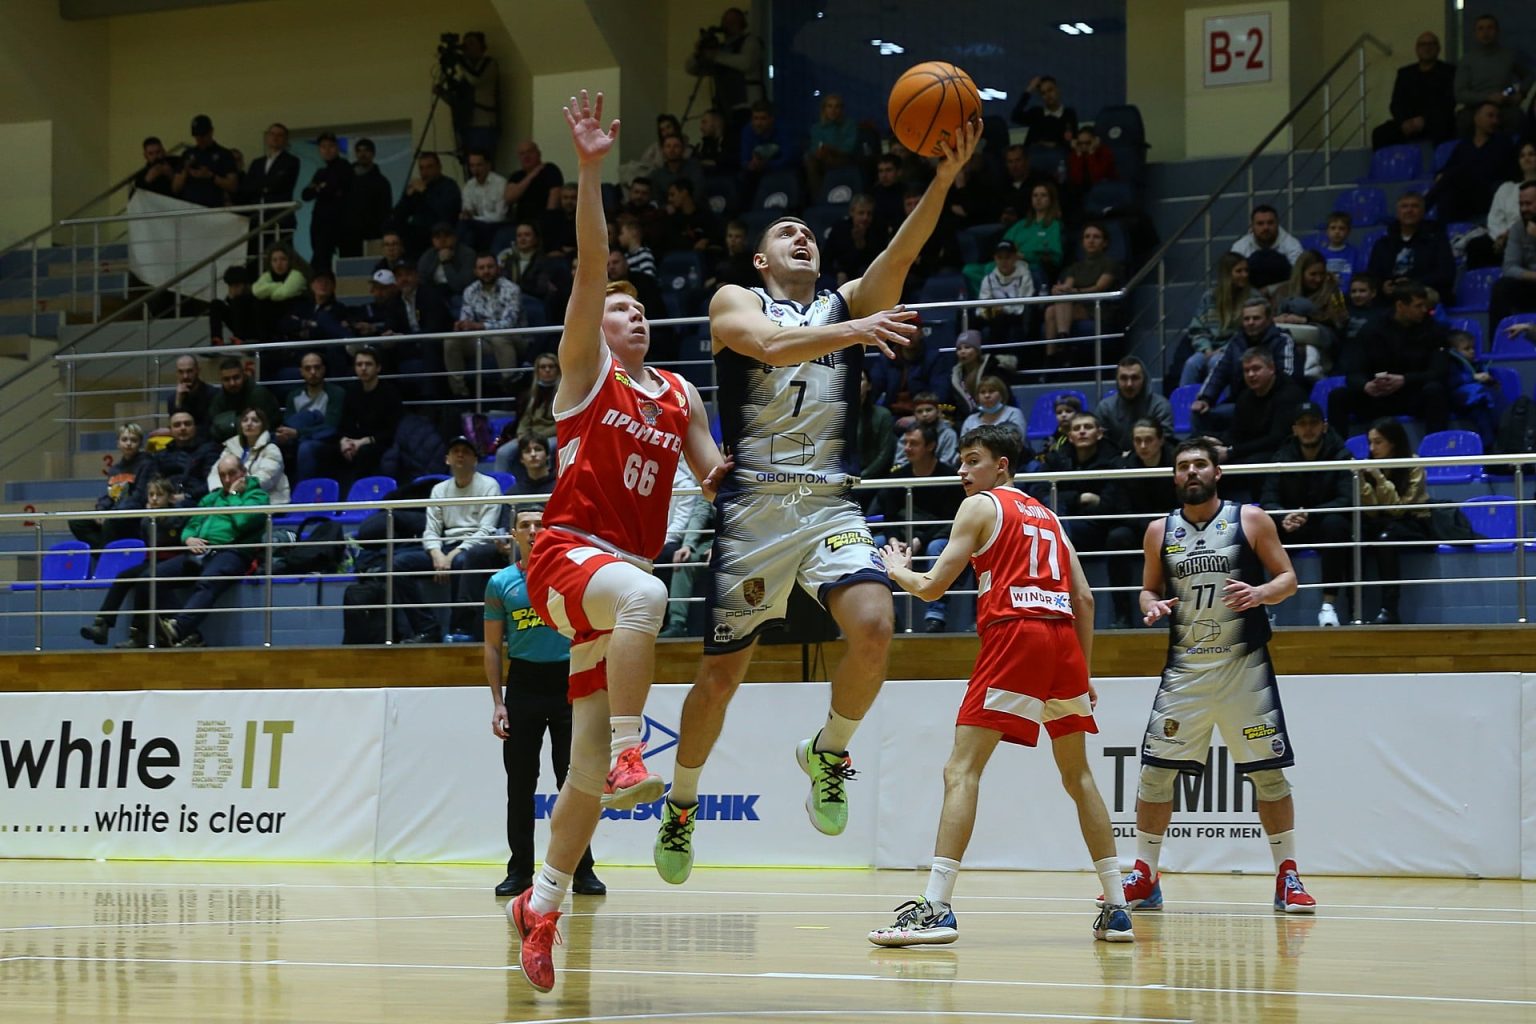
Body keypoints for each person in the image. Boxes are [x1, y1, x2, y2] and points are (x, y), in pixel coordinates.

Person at [652, 119, 981, 887]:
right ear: (764, 259)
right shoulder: (735, 297)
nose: (800, 235)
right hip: (753, 515)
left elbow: (902, 252)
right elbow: (764, 346)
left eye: (808, 231)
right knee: (720, 679)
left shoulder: (847, 299)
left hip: (830, 504)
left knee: (874, 626)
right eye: (784, 232)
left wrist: (941, 181)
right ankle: (681, 802)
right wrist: (859, 328)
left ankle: (830, 749)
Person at [507, 91, 725, 995]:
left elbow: (715, 476)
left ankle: (543, 905)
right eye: (617, 309)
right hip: (567, 557)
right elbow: (594, 262)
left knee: (585, 776)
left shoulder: (678, 396)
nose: (629, 315)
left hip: (615, 582)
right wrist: (592, 168)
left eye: (639, 311)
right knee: (646, 597)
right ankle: (642, 745)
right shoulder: (584, 374)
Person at [870, 424, 1133, 946]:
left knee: (960, 770)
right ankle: (1117, 908)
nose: (962, 471)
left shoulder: (980, 507)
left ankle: (937, 907)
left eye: (972, 460)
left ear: (1002, 466)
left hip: (1016, 634)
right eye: (962, 462)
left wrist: (897, 568)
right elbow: (1085, 600)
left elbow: (931, 588)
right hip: (1063, 643)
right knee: (1078, 776)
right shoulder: (1052, 518)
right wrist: (1083, 666)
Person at [1113, 436, 1315, 916]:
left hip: (1244, 668)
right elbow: (1146, 590)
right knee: (1155, 774)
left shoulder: (1249, 519)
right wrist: (1151, 605)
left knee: (1269, 774)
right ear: (1174, 476)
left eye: (1201, 464)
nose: (1192, 473)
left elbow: (1288, 578)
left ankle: (1288, 876)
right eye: (1183, 466)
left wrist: (1262, 593)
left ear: (1217, 472)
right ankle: (1145, 875)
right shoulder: (1158, 531)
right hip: (1186, 671)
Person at [486, 506, 604, 899]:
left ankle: (582, 871)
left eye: (540, 524)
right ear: (514, 534)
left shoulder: (568, 576)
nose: (534, 531)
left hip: (569, 685)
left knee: (577, 782)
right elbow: (491, 647)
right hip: (523, 687)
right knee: (520, 785)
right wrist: (498, 702)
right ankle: (519, 870)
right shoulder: (500, 583)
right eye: (525, 526)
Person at [154, 455, 271, 648]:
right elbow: (192, 523)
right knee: (155, 576)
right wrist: (188, 538)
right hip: (201, 551)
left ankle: (178, 628)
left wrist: (234, 496)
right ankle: (188, 634)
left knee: (207, 581)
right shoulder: (212, 498)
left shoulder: (258, 496)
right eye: (222, 475)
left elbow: (243, 522)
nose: (227, 480)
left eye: (232, 474)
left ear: (243, 473)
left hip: (234, 552)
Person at [394, 435, 502, 643]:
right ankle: (426, 628)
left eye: (466, 451)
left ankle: (459, 628)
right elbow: (431, 530)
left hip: (474, 548)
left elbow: (487, 529)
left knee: (462, 562)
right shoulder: (439, 490)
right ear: (447, 459)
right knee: (398, 564)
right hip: (445, 548)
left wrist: (453, 554)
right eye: (455, 451)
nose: (460, 455)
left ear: (475, 460)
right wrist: (437, 554)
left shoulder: (489, 485)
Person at [1259, 402, 1355, 627]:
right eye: (1302, 424)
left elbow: (1346, 499)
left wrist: (1311, 514)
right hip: (1291, 525)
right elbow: (1268, 499)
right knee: (1258, 532)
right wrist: (1283, 516)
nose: (1308, 429)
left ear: (1324, 426)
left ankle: (1327, 606)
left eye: (1313, 423)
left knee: (1336, 526)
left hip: (1324, 524)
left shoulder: (1341, 454)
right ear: (1294, 429)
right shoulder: (1282, 456)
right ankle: (1262, 608)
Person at [869, 422, 964, 632]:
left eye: (914, 443)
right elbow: (890, 516)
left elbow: (948, 519)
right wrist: (894, 541)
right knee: (875, 547)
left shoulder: (947, 477)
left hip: (935, 534)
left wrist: (918, 541)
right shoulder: (897, 476)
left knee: (937, 548)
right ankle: (888, 613)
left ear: (930, 446)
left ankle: (936, 616)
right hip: (902, 534)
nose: (907, 448)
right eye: (905, 443)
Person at [1327, 282, 1449, 434]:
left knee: (1435, 391)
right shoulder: (1373, 329)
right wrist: (1366, 385)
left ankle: (1436, 449)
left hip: (1412, 393)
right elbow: (1353, 371)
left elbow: (1439, 371)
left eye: (1425, 305)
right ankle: (1338, 453)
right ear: (1400, 306)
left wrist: (1404, 379)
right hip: (1379, 396)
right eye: (1418, 306)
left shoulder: (1434, 330)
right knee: (1338, 396)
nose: (1425, 310)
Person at [79, 476, 187, 649]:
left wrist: (158, 518)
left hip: (171, 561)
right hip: (152, 560)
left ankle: (138, 634)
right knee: (123, 576)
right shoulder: (145, 520)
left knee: (144, 579)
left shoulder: (177, 517)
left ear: (170, 497)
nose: (154, 499)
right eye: (151, 495)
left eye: (159, 495)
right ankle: (102, 625)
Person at [1100, 418, 1176, 628]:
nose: (1143, 446)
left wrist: (1163, 527)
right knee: (1117, 538)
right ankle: (1122, 616)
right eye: (1138, 440)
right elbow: (1122, 511)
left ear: (1161, 440)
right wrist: (1152, 529)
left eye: (1149, 440)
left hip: (1173, 525)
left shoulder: (1177, 461)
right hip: (1138, 527)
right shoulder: (1123, 465)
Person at [1360, 417, 1431, 625]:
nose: (1372, 448)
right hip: (1383, 522)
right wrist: (1363, 481)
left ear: (1394, 442)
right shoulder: (1371, 467)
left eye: (1378, 442)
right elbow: (1372, 512)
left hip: (1414, 523)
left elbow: (1400, 509)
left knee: (1385, 539)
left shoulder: (1413, 464)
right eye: (1370, 442)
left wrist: (1380, 479)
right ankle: (1355, 609)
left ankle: (1390, 610)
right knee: (1354, 535)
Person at [1191, 298, 1299, 433]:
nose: (1250, 323)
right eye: (1246, 319)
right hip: (1240, 404)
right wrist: (1205, 399)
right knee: (1200, 413)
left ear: (1269, 319)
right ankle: (1203, 451)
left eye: (1256, 318)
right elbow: (1219, 372)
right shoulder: (1236, 342)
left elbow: (1287, 376)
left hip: (1272, 404)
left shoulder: (1282, 340)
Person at [1426, 102, 1518, 225]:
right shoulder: (1465, 145)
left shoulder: (1502, 142)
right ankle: (1443, 233)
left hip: (1489, 192)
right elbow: (1448, 167)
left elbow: (1494, 170)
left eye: (1497, 117)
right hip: (1464, 195)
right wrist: (1441, 174)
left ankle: (1422, 207)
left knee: (1453, 175)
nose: (1495, 121)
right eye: (1490, 116)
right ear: (1476, 118)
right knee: (1447, 188)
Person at [70, 422, 154, 552]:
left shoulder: (147, 464)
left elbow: (139, 496)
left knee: (109, 523)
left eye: (133, 440)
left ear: (140, 443)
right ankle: (105, 554)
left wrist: (112, 513)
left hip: (133, 516)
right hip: (114, 514)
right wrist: (101, 510)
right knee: (76, 522)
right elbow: (110, 495)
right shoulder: (115, 469)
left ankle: (106, 558)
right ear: (118, 443)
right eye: (124, 439)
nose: (129, 443)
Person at [1179, 253, 1258, 388]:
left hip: (1236, 349)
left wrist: (1223, 350)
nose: (1244, 275)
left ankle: (1213, 404)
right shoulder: (1209, 297)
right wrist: (1206, 349)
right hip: (1210, 348)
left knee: (1216, 362)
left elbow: (1248, 333)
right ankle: (1182, 406)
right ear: (1227, 274)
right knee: (1191, 363)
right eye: (1239, 271)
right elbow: (1197, 329)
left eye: (1246, 270)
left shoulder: (1253, 298)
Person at [1043, 223, 1121, 356]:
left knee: (1056, 309)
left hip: (1100, 306)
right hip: (1078, 304)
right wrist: (1059, 289)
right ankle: (1056, 348)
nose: (1091, 240)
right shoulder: (1076, 266)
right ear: (1082, 242)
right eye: (1087, 237)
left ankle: (1058, 351)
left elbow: (1099, 288)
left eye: (1096, 237)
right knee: (1051, 310)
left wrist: (1075, 292)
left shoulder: (1110, 263)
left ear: (1104, 243)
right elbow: (1068, 286)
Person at [685, 7, 766, 135]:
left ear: (742, 23)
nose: (728, 25)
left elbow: (746, 63)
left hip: (747, 104)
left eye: (733, 21)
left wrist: (716, 56)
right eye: (726, 21)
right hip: (725, 106)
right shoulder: (721, 49)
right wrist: (699, 52)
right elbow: (691, 69)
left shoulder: (750, 41)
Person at [451, 253, 523, 396]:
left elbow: (509, 323)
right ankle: (460, 393)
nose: (486, 271)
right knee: (451, 341)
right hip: (482, 341)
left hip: (513, 338)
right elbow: (467, 320)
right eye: (481, 268)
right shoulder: (470, 291)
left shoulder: (511, 289)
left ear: (498, 268)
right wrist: (462, 325)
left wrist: (480, 326)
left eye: (490, 267)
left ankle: (510, 393)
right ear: (475, 271)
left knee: (499, 338)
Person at [1365, 192, 1455, 303]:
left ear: (1423, 212)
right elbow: (1372, 275)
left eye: (1415, 206)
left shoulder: (1437, 240)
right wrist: (1382, 286)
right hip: (1391, 296)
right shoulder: (1383, 244)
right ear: (1398, 212)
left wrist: (1413, 283)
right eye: (1404, 206)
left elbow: (1446, 274)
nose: (1409, 210)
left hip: (1423, 293)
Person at [1372, 31, 1456, 149]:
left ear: (1438, 48)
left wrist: (1424, 120)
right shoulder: (1405, 73)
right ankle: (1386, 167)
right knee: (1380, 133)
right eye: (1423, 44)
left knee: (1446, 129)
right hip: (1407, 122)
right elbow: (1396, 103)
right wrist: (1404, 122)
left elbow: (1449, 102)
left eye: (1431, 44)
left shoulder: (1449, 72)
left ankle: (1441, 167)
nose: (1427, 48)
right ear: (1417, 49)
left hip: (1435, 122)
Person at [1454, 13, 1529, 138]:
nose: (1485, 32)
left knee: (1517, 117)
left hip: (1504, 107)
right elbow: (1460, 93)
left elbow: (1528, 76)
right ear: (1475, 33)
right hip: (1475, 108)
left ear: (1497, 31)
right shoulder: (1467, 60)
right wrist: (1487, 97)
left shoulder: (1508, 56)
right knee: (1463, 120)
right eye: (1481, 29)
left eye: (1490, 28)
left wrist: (1521, 94)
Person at [275, 351, 345, 484]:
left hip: (326, 442)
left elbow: (331, 426)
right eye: (308, 368)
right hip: (296, 441)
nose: (313, 372)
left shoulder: (336, 393)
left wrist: (298, 433)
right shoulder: (293, 395)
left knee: (306, 447)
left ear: (323, 369)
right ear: (301, 371)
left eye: (317, 368)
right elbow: (289, 424)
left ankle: (304, 496)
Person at [336, 347, 403, 485]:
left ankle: (358, 497)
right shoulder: (352, 391)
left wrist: (364, 441)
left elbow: (392, 430)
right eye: (359, 364)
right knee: (326, 451)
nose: (363, 368)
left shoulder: (390, 393)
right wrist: (345, 441)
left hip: (380, 442)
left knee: (365, 453)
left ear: (378, 368)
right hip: (356, 441)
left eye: (368, 364)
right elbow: (344, 423)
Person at [495, 351, 560, 474]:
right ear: (537, 371)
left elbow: (562, 422)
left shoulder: (565, 393)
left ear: (558, 369)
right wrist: (522, 435)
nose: (547, 370)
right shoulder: (529, 394)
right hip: (530, 435)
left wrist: (538, 436)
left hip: (554, 436)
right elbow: (524, 420)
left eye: (551, 366)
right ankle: (502, 486)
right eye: (543, 367)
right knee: (503, 453)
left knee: (549, 447)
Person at [209, 407, 290, 505]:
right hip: (232, 498)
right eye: (245, 420)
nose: (249, 424)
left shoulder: (271, 449)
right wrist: (220, 491)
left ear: (263, 426)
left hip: (266, 501)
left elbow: (267, 476)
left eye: (255, 421)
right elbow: (215, 473)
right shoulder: (230, 448)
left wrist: (240, 487)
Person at [1093, 356, 1173, 452]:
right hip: (1114, 461)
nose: (1129, 384)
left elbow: (1165, 442)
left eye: (1135, 378)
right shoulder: (1105, 407)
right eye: (1123, 378)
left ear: (1144, 380)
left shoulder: (1160, 406)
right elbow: (1100, 442)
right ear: (1117, 380)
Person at [299, 132, 352, 272]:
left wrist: (320, 188)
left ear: (336, 148)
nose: (327, 150)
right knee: (321, 260)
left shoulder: (344, 166)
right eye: (323, 147)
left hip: (338, 222)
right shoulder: (321, 172)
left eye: (331, 146)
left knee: (322, 262)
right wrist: (321, 188)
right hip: (320, 222)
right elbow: (305, 194)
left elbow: (331, 188)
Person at [444, 31, 500, 159]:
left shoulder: (489, 63)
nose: (467, 47)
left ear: (482, 47)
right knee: (469, 163)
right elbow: (458, 100)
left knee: (482, 160)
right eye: (465, 44)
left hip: (483, 123)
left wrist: (460, 61)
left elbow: (476, 79)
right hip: (466, 123)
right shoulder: (466, 70)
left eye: (472, 43)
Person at [394, 152, 462, 257]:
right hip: (417, 229)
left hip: (439, 229)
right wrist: (407, 197)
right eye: (421, 168)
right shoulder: (418, 187)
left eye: (429, 167)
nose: (425, 172)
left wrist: (425, 192)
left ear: (439, 167)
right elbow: (399, 214)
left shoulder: (449, 186)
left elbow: (445, 212)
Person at [1489, 180, 1536, 333]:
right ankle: (1498, 344)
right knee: (1502, 287)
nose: (1524, 209)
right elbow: (1509, 267)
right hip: (1532, 283)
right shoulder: (1517, 228)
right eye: (1521, 204)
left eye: (1528, 204)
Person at [243, 122, 300, 239]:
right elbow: (247, 187)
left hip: (280, 216)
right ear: (267, 137)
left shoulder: (291, 161)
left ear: (285, 139)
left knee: (280, 250)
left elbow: (281, 185)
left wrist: (261, 186)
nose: (275, 138)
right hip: (257, 216)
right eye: (272, 134)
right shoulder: (257, 163)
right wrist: (266, 187)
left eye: (279, 135)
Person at [206, 357, 281, 444]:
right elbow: (214, 427)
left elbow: (269, 424)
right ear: (221, 380)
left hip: (261, 440)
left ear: (244, 375)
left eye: (236, 377)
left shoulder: (259, 394)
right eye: (226, 379)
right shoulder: (219, 398)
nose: (232, 383)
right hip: (228, 443)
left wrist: (232, 423)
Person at [976, 240, 1035, 348]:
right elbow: (981, 307)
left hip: (1017, 317)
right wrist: (990, 310)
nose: (1003, 261)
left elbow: (1022, 306)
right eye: (1000, 257)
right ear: (995, 258)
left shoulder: (1025, 276)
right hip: (994, 317)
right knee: (966, 315)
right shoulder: (988, 279)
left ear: (1015, 258)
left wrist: (1003, 309)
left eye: (1007, 257)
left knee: (1001, 320)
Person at [1230, 206, 1303, 289]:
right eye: (1260, 223)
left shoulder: (1293, 245)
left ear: (1277, 224)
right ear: (1252, 227)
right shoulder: (1239, 247)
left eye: (1270, 223)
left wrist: (1270, 290)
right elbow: (1233, 279)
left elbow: (1297, 279)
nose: (1266, 228)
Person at [154, 410, 220, 503]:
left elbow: (213, 482)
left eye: (187, 424)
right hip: (164, 501)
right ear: (170, 430)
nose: (183, 428)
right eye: (177, 425)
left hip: (197, 501)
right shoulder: (160, 455)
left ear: (195, 427)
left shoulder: (209, 450)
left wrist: (188, 495)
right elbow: (153, 482)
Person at [949, 330, 1017, 419]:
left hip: (999, 417)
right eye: (959, 349)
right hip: (969, 421)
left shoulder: (993, 369)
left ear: (977, 351)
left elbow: (1005, 397)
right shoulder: (956, 376)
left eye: (967, 347)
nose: (962, 351)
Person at [173, 114, 237, 208]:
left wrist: (210, 176)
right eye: (196, 136)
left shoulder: (224, 154)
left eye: (203, 135)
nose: (199, 139)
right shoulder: (187, 154)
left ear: (211, 131)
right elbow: (175, 188)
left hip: (213, 208)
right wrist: (185, 171)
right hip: (189, 208)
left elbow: (233, 186)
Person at [251, 243, 310, 342]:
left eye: (283, 259)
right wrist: (279, 285)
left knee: (265, 304)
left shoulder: (297, 274)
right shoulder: (267, 275)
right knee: (258, 303)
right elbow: (256, 291)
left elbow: (283, 293)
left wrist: (268, 291)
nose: (279, 263)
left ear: (290, 261)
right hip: (276, 313)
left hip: (294, 311)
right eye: (274, 260)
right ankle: (263, 342)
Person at [804, 92, 858, 196]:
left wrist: (832, 149)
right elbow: (814, 147)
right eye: (830, 106)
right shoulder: (816, 128)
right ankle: (818, 198)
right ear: (824, 109)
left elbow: (849, 148)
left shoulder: (849, 125)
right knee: (809, 160)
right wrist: (820, 152)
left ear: (841, 110)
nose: (833, 110)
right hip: (822, 159)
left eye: (837, 107)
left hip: (843, 159)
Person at [503, 141, 564, 232]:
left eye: (530, 152)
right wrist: (532, 174)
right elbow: (509, 198)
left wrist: (547, 223)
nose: (526, 156)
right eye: (522, 154)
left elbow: (553, 205)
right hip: (520, 224)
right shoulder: (516, 176)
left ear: (538, 154)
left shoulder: (550, 170)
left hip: (544, 223)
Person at [347, 138, 393, 254]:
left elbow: (385, 212)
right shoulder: (346, 179)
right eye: (359, 151)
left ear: (373, 154)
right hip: (349, 236)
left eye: (366, 151)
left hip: (374, 237)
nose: (363, 154)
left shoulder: (381, 182)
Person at [893, 391, 959, 468]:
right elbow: (900, 462)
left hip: (940, 475)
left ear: (938, 411)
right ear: (914, 415)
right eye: (919, 411)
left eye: (928, 410)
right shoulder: (909, 434)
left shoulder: (948, 434)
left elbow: (948, 462)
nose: (924, 414)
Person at [1010, 74, 1078, 147]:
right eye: (1043, 93)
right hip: (1034, 155)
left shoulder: (1069, 114)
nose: (1048, 95)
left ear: (1057, 90)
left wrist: (1054, 145)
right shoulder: (1036, 113)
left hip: (1060, 155)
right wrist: (1029, 90)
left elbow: (1073, 141)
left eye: (1050, 90)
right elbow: (1015, 116)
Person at [959, 375, 1026, 439]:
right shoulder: (970, 420)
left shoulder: (1013, 414)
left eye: (991, 391)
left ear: (1002, 394)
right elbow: (963, 447)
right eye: (982, 392)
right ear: (977, 397)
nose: (987, 395)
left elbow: (1017, 443)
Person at [167, 354, 218, 435]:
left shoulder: (213, 394)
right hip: (182, 441)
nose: (185, 376)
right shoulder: (173, 398)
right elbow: (175, 427)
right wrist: (178, 403)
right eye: (181, 372)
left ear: (198, 370)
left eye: (189, 371)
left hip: (206, 441)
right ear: (176, 373)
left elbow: (210, 427)